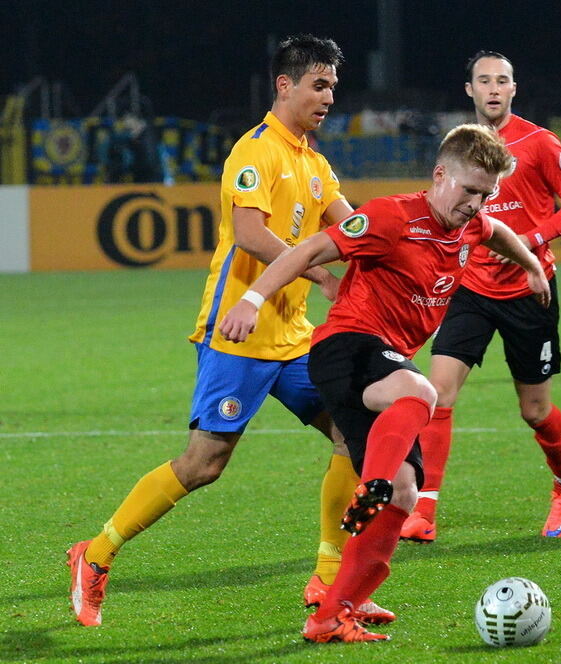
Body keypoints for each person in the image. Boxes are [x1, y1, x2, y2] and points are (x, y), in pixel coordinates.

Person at [66, 34, 393, 628]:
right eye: (318, 86)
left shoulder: (315, 163)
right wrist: (320, 271)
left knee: (352, 431)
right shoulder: (255, 152)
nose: (327, 98)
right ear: (285, 85)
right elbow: (248, 232)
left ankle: (327, 581)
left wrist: (402, 243)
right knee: (205, 463)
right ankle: (95, 553)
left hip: (293, 337)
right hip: (237, 334)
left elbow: (352, 225)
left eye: (333, 89)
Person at [219, 123, 549, 643]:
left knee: (405, 491)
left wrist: (531, 264)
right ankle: (368, 482)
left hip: (382, 362)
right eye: (468, 191)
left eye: (486, 194)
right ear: (440, 175)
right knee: (422, 393)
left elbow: (496, 232)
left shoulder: (469, 223)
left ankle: (333, 612)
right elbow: (307, 251)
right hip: (347, 345)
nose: (476, 204)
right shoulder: (392, 216)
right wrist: (252, 299)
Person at [399, 51, 561, 544]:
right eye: (483, 81)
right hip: (470, 287)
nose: (492, 89)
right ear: (469, 90)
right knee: (437, 392)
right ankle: (424, 509)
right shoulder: (458, 147)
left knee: (534, 410)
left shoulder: (540, 143)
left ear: (513, 89)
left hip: (530, 288)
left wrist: (530, 242)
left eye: (501, 81)